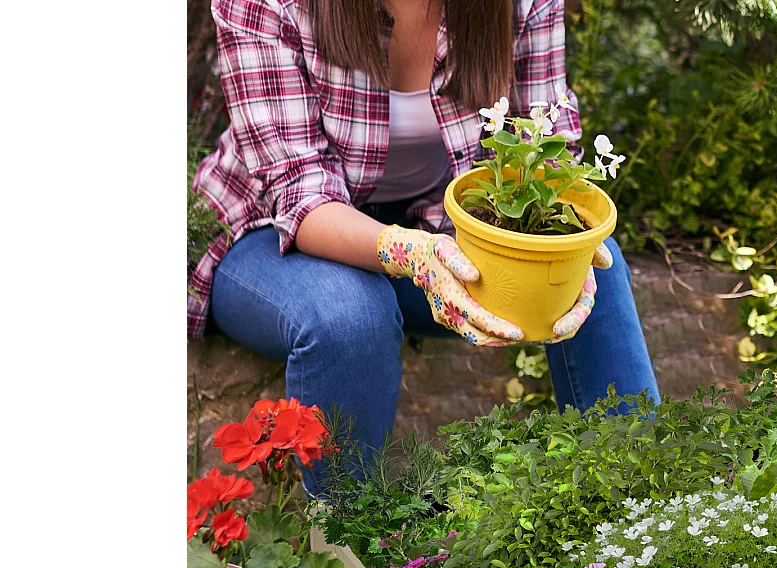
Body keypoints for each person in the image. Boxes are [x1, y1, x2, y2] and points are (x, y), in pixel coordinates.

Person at [189, 0, 659, 488]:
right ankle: (343, 531)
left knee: (593, 272)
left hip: (431, 225)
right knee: (351, 317)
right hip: (269, 231)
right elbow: (299, 191)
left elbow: (548, 148)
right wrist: (413, 255)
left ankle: (641, 511)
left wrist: (567, 252)